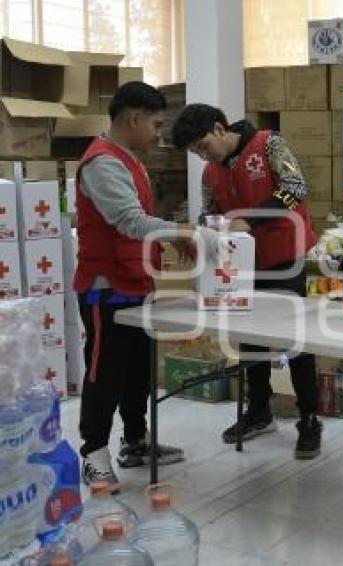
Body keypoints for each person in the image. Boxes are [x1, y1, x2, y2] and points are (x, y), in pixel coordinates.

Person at [76, 82, 214, 485]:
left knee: (137, 370)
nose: (159, 133)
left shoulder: (127, 159)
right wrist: (186, 231)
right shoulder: (102, 163)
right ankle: (93, 451)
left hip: (135, 284)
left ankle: (135, 440)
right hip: (105, 288)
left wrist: (177, 239)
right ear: (133, 118)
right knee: (104, 371)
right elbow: (130, 221)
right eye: (155, 124)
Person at [171, 104, 322, 459]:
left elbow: (296, 187)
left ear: (221, 128)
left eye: (204, 145)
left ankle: (310, 419)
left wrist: (250, 219)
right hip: (240, 266)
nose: (202, 155)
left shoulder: (269, 144)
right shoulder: (210, 173)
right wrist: (200, 235)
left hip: (285, 256)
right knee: (249, 340)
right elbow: (211, 215)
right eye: (195, 152)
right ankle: (259, 411)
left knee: (296, 341)